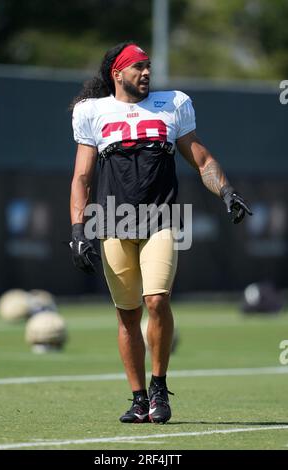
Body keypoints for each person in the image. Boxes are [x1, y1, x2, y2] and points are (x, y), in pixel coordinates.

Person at [69, 41, 252, 424]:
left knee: (157, 301)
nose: (147, 72)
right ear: (118, 74)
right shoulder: (93, 112)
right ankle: (137, 399)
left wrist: (226, 190)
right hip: (112, 221)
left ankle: (158, 387)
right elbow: (83, 176)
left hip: (161, 218)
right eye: (138, 67)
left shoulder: (174, 104)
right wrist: (77, 229)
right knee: (127, 314)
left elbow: (200, 158)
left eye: (149, 66)